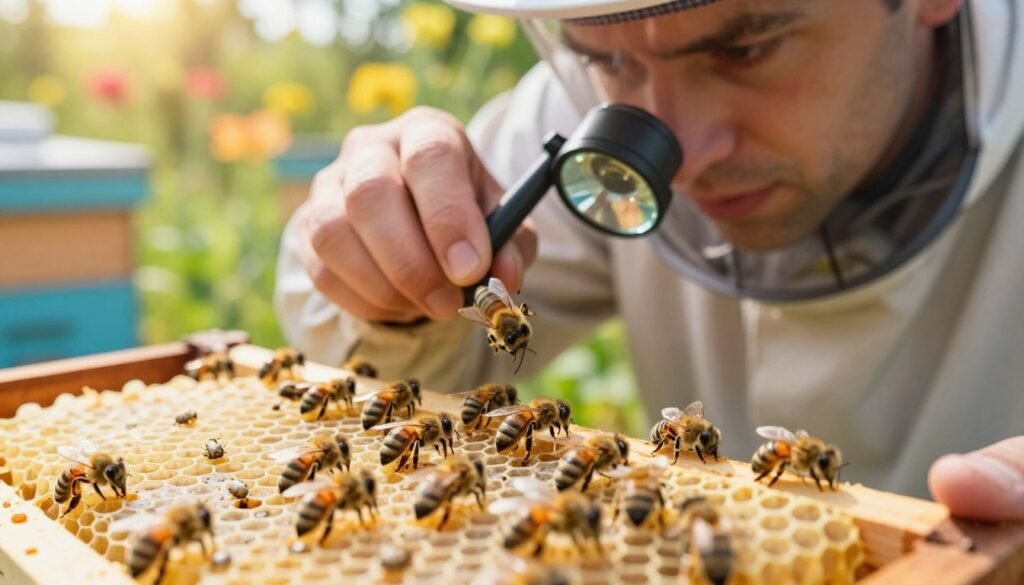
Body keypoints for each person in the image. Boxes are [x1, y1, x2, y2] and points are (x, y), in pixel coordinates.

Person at [275, 0, 1024, 517]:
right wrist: (387, 250)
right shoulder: (589, 110)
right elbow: (344, 350)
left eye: (746, 48)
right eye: (601, 58)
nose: (680, 157)